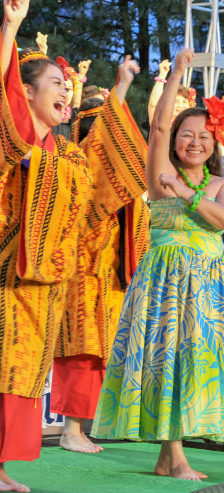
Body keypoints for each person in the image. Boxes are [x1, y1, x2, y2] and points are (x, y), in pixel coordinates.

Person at [0, 0, 146, 492]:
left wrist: (130, 90)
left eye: (67, 83)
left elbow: (112, 164)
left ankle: (0, 467)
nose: (65, 90)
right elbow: (5, 102)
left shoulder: (68, 155)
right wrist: (11, 29)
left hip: (46, 283)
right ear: (27, 93)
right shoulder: (13, 140)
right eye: (54, 83)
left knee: (20, 375)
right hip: (7, 274)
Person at [91, 48, 224, 481]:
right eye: (186, 135)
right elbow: (158, 124)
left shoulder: (221, 183)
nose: (195, 142)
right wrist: (177, 73)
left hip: (211, 284)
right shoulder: (158, 174)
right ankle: (174, 457)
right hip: (165, 279)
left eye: (204, 137)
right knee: (166, 360)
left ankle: (168, 457)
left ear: (216, 144)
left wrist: (185, 192)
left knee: (196, 364)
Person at [52, 91, 150, 453]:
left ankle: (85, 427)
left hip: (112, 280)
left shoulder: (127, 188)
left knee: (100, 356)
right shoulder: (78, 168)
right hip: (81, 276)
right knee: (81, 353)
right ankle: (70, 430)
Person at [147, 59, 195, 125]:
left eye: (184, 102)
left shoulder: (194, 125)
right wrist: (162, 75)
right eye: (176, 101)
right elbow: (154, 105)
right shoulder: (162, 124)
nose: (180, 106)